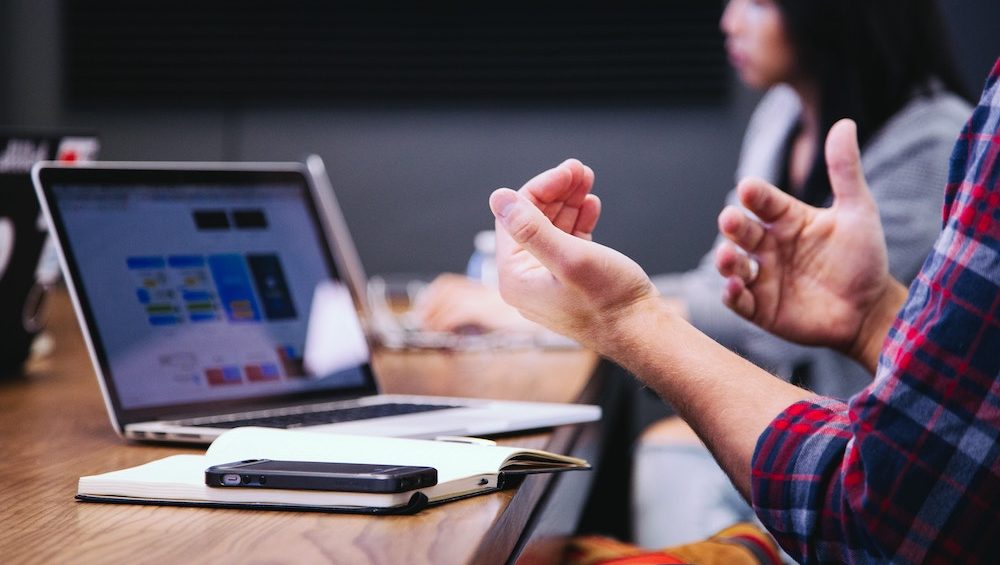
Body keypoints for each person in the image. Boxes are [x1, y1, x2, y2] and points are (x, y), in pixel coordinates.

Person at [419, 0, 974, 545]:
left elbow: (754, 325)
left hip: (874, 471)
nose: (728, 20)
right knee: (663, 455)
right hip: (808, 435)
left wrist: (572, 314)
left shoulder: (932, 142)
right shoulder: (782, 115)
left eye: (757, 3)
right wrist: (578, 301)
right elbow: (729, 289)